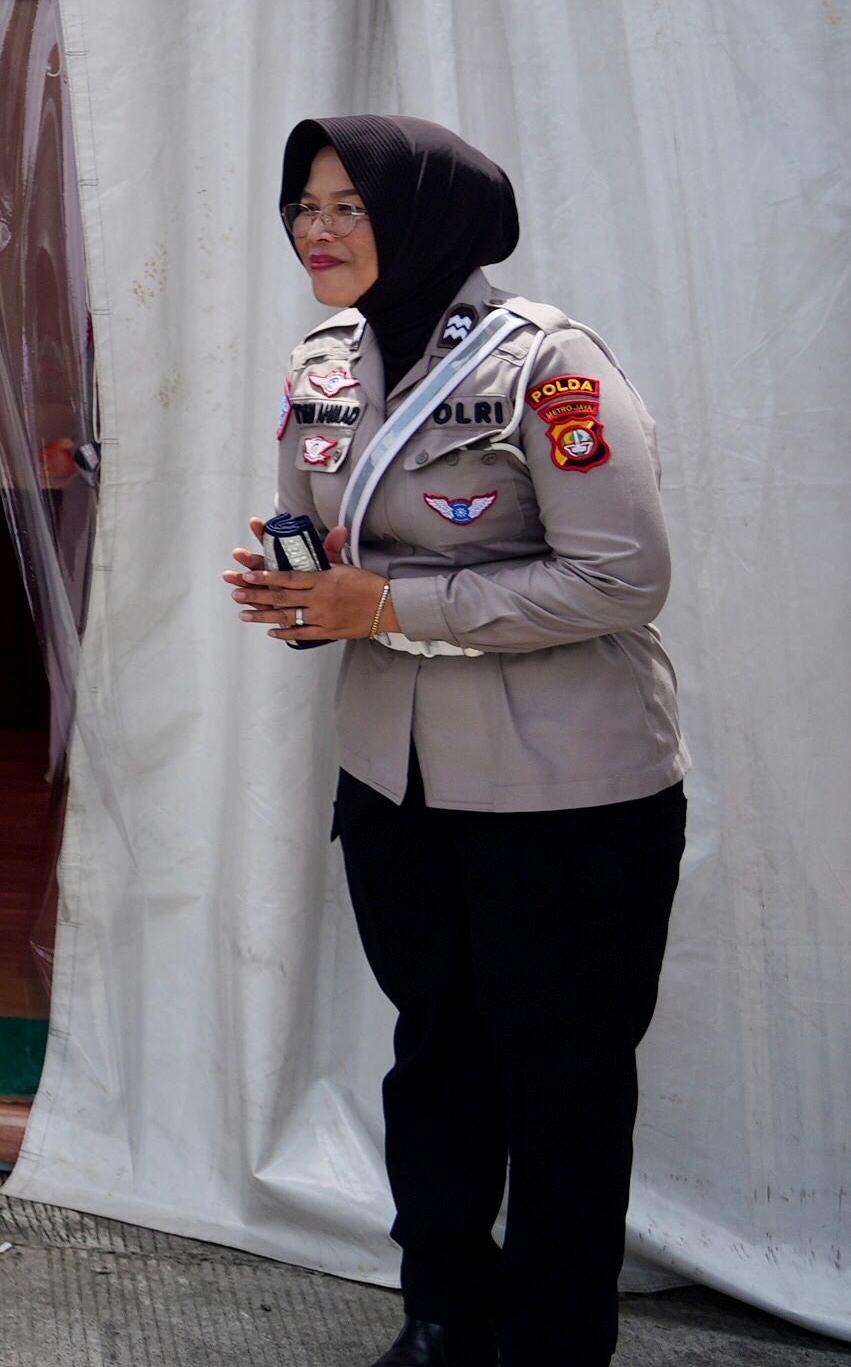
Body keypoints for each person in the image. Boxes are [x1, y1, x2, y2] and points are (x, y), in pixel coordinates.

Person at [225, 116, 685, 1367]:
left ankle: (551, 1342)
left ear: (427, 216)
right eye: (303, 205)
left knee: (564, 1078)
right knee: (434, 1055)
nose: (315, 229)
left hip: (569, 793)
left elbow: (622, 575)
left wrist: (389, 605)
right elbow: (314, 521)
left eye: (347, 206)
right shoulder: (326, 362)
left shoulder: (551, 367)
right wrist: (297, 589)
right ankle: (441, 1315)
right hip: (398, 778)